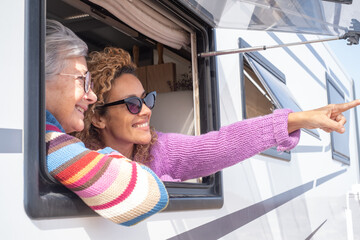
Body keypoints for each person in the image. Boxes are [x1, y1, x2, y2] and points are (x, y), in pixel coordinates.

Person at [77, 46, 360, 182]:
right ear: (98, 117)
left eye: (146, 99)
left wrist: (301, 118)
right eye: (132, 104)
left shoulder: (158, 150)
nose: (147, 110)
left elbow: (224, 144)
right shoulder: (74, 155)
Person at [45, 19, 169, 226]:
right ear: (41, 78)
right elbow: (146, 196)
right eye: (82, 81)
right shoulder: (50, 142)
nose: (91, 96)